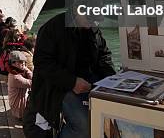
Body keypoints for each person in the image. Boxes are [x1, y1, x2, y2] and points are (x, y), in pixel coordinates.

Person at [23, 10, 115, 138]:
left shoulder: (92, 28)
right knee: (83, 127)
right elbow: (42, 63)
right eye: (89, 19)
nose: (92, 23)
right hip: (58, 87)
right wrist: (72, 82)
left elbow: (104, 56)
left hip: (88, 82)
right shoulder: (52, 28)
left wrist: (111, 79)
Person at [7, 50, 33, 119]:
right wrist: (27, 70)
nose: (23, 63)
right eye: (21, 62)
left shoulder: (14, 71)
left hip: (19, 104)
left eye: (24, 61)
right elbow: (32, 83)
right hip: (19, 110)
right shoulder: (15, 77)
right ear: (13, 63)